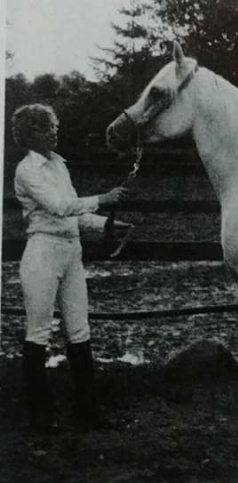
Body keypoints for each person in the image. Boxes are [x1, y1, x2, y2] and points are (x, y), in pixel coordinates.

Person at [12, 103, 130, 433]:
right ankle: (40, 418)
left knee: (79, 330)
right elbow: (60, 206)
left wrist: (108, 225)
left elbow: (75, 214)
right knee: (38, 332)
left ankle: (87, 412)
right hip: (43, 254)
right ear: (30, 133)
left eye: (53, 126)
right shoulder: (27, 170)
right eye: (47, 127)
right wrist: (104, 198)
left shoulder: (59, 166)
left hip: (70, 253)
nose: (54, 131)